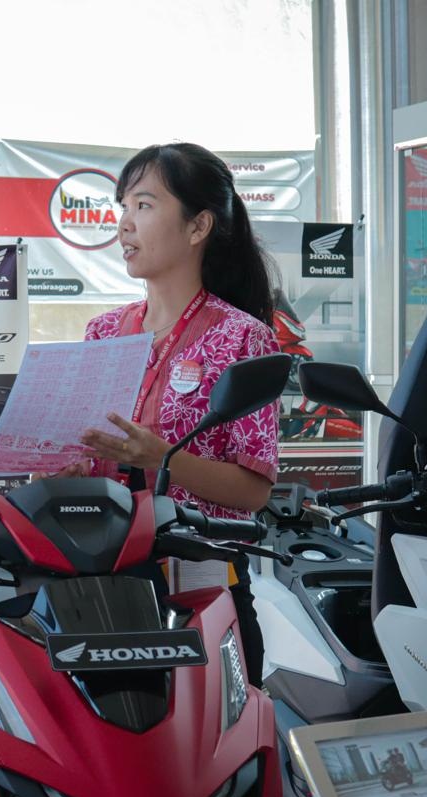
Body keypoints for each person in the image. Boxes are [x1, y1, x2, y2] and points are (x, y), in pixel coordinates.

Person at [72, 142, 280, 686]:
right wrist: (64, 469)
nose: (124, 224)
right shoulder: (102, 332)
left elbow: (254, 491)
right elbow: (89, 458)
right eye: (122, 207)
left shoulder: (244, 338)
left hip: (203, 591)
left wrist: (162, 458)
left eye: (143, 205)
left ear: (198, 226)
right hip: (102, 586)